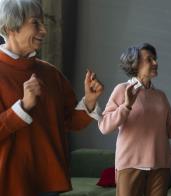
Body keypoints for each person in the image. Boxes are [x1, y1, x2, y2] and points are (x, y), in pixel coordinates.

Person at [0, 0, 104, 195]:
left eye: (42, 23)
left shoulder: (51, 73)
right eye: (35, 23)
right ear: (10, 28)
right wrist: (22, 107)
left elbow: (69, 122)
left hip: (48, 184)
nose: (44, 31)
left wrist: (89, 101)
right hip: (9, 184)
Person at [98, 43, 171, 196]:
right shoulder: (122, 90)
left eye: (155, 59)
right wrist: (126, 106)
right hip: (130, 166)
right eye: (149, 59)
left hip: (160, 166)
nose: (155, 63)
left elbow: (170, 131)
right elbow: (104, 126)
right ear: (135, 64)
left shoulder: (160, 96)